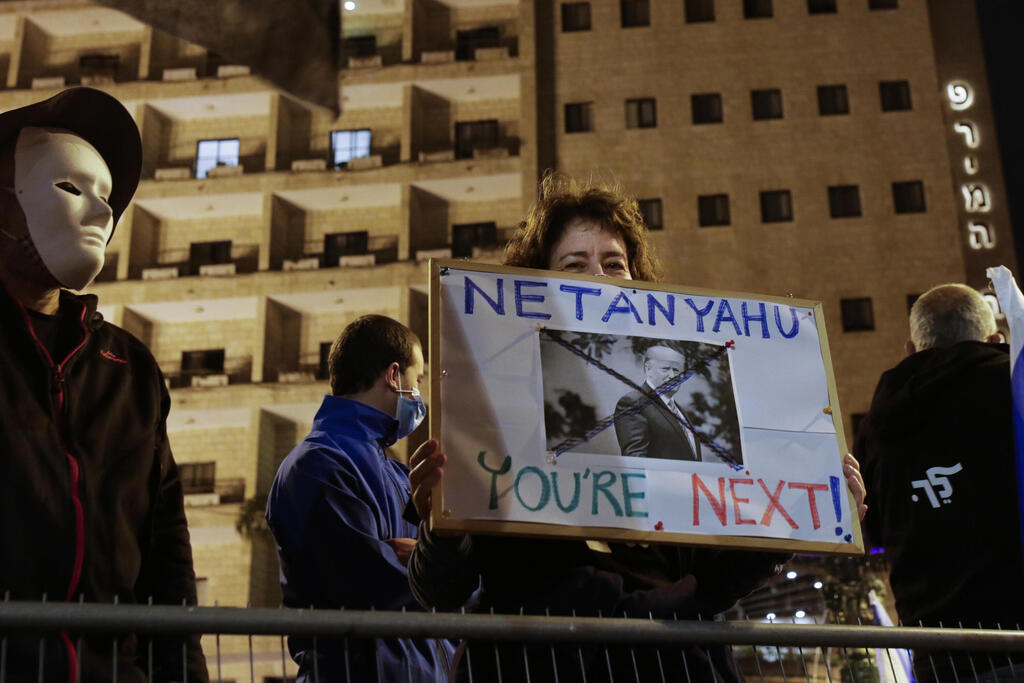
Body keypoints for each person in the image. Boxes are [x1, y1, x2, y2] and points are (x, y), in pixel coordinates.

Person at [409, 173, 867, 682]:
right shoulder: (491, 419)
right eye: (574, 265)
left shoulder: (687, 427)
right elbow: (441, 590)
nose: (599, 279)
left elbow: (716, 577)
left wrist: (797, 518)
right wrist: (441, 525)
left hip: (670, 665)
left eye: (614, 264)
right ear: (534, 287)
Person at [0, 87, 207, 682]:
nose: (100, 214)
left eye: (107, 198)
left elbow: (166, 552)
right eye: (68, 187)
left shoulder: (128, 368)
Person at [265, 315, 455, 682]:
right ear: (394, 375)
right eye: (418, 381)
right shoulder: (316, 464)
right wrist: (431, 563)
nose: (420, 394)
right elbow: (370, 580)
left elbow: (455, 579)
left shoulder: (398, 473)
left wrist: (424, 557)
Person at [856, 283, 1024, 683]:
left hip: (941, 653)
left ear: (911, 349)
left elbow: (868, 527)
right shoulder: (1014, 390)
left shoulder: (878, 423)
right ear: (994, 339)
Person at [615, 344, 702, 460]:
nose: (672, 375)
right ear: (648, 370)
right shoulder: (633, 403)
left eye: (677, 370)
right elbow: (636, 460)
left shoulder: (679, 411)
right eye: (665, 369)